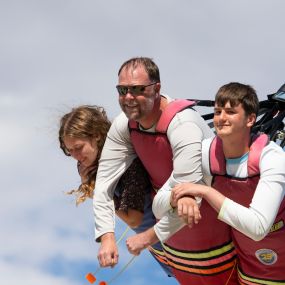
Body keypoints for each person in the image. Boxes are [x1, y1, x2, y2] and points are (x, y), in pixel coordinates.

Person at [94, 57, 238, 284]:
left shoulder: (183, 125)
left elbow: (191, 198)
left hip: (217, 237)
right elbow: (103, 184)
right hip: (179, 247)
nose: (128, 97)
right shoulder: (125, 125)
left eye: (137, 89)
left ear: (156, 89)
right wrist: (106, 236)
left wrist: (146, 237)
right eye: (122, 90)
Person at [165, 82, 285, 284]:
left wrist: (206, 191)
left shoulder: (271, 157)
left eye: (230, 112)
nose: (221, 118)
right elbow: (171, 186)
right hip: (245, 261)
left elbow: (257, 228)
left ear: (251, 119)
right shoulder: (204, 152)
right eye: (218, 111)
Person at [58, 105, 172, 276]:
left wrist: (96, 191)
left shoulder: (127, 164)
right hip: (162, 250)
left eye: (78, 147)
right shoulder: (90, 166)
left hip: (172, 241)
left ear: (96, 136)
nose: (75, 156)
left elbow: (134, 219)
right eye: (69, 151)